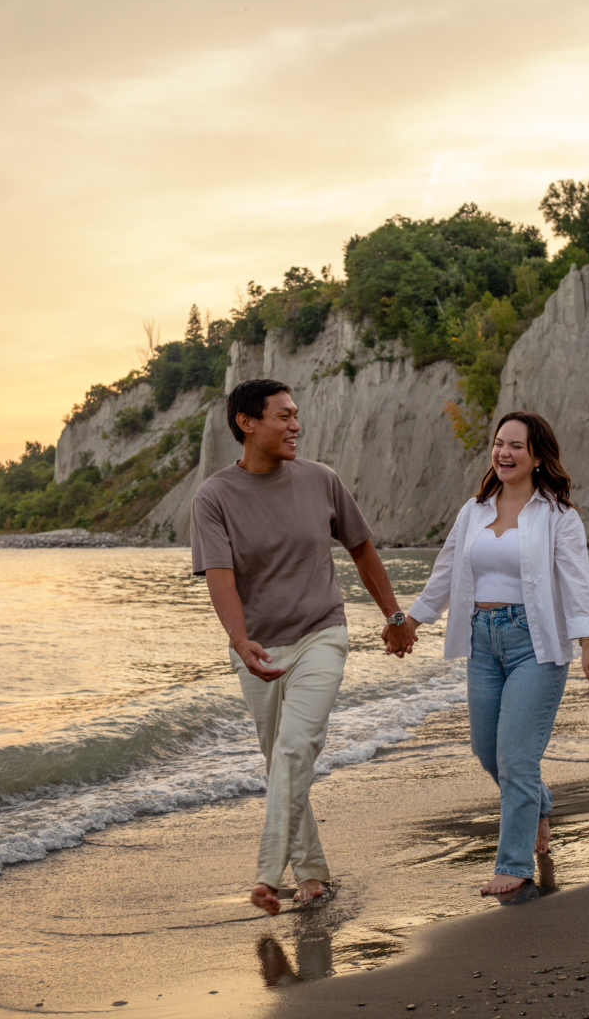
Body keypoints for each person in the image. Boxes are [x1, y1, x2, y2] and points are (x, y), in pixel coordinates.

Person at [191, 378, 415, 914]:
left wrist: (395, 615)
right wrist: (240, 640)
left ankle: (269, 875)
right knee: (280, 760)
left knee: (295, 748)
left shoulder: (321, 480)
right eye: (283, 416)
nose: (296, 425)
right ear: (247, 422)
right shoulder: (214, 496)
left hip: (322, 633)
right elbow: (219, 577)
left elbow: (362, 551)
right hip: (258, 649)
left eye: (297, 415)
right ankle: (310, 872)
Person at [392, 411, 589, 895]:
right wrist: (410, 622)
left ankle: (513, 864)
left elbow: (576, 585)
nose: (504, 453)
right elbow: (445, 572)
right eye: (498, 443)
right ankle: (538, 805)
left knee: (516, 756)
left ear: (536, 456)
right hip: (482, 641)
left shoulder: (559, 516)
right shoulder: (474, 510)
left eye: (516, 446)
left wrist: (588, 644)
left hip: (536, 645)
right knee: (488, 751)